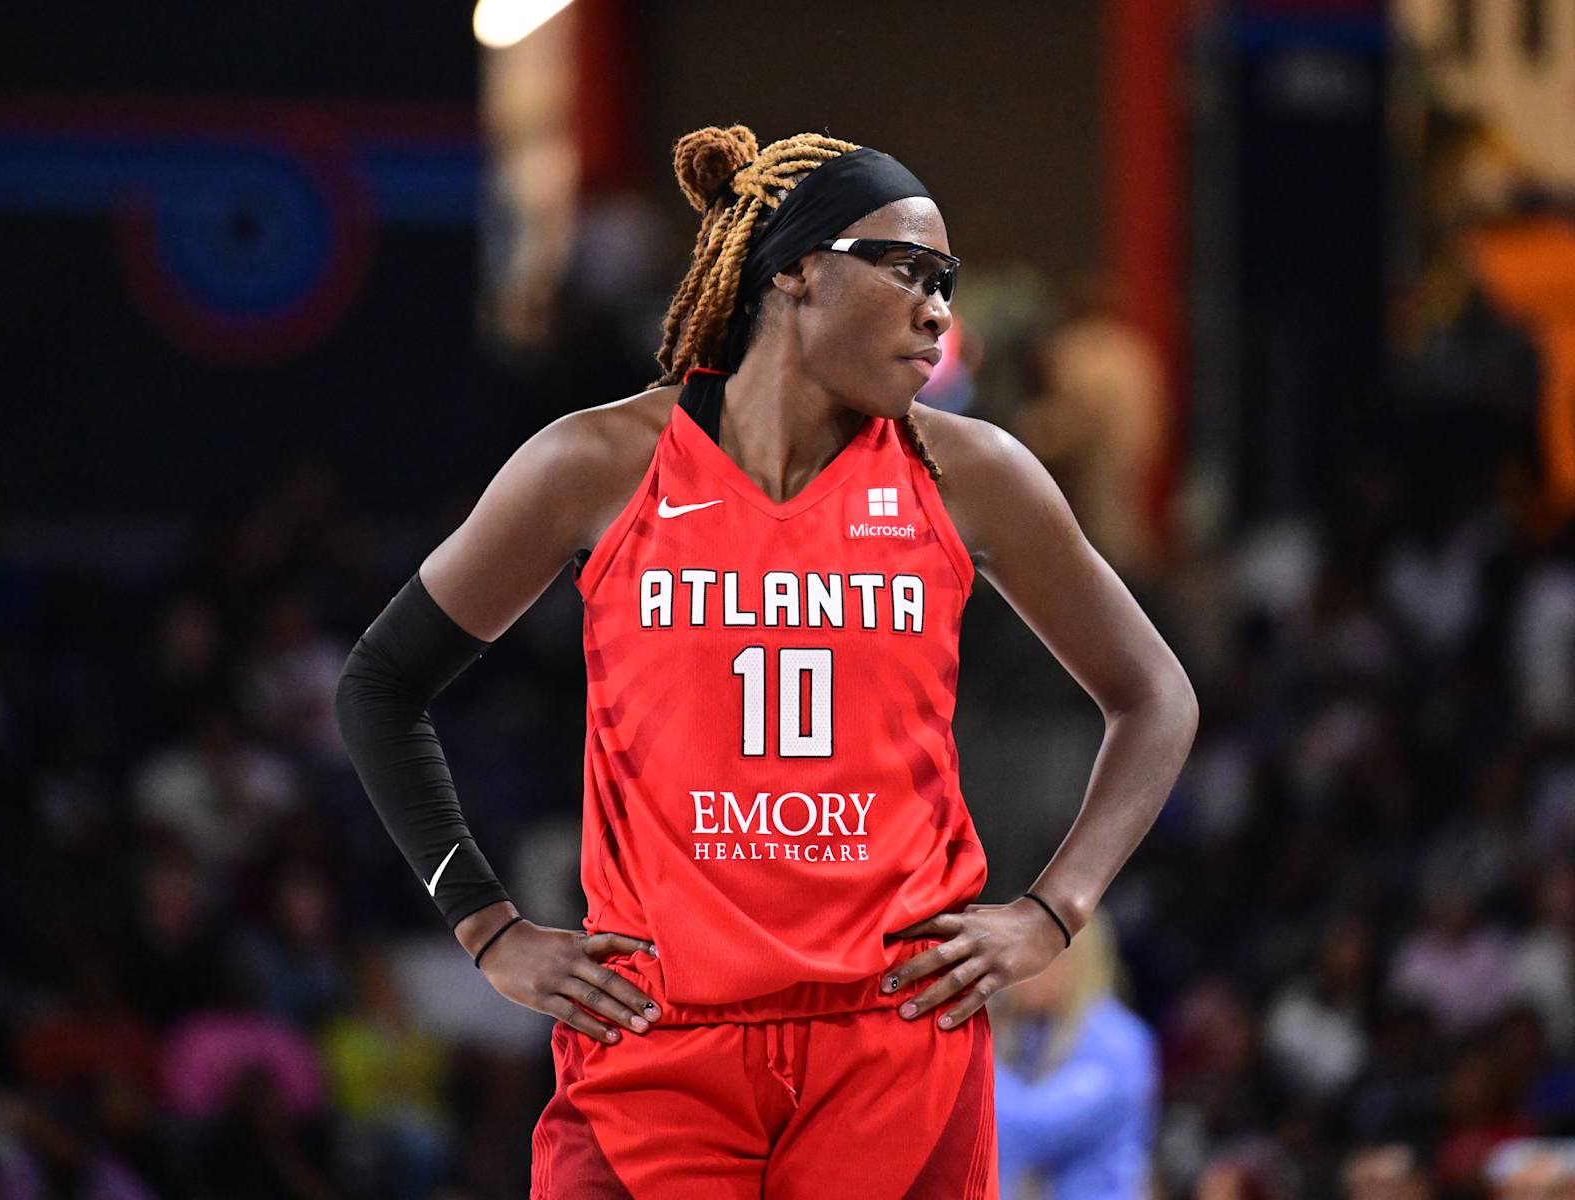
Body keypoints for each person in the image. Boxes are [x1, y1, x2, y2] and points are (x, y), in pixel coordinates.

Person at [335, 123, 1199, 1199]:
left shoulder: (969, 471)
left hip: (893, 1039)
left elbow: (1154, 695)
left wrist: (1052, 910)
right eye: (909, 272)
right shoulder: (596, 464)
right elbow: (379, 686)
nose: (939, 311)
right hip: (655, 1037)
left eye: (950, 282)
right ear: (793, 268)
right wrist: (488, 926)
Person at [990, 918, 1159, 1200]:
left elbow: (1029, 1130)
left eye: (1029, 954)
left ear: (1072, 961)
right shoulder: (1035, 1031)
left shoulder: (1116, 1043)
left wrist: (975, 1054)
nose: (1015, 971)